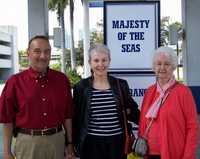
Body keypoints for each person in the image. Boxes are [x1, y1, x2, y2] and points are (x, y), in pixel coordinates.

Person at [0, 35, 75, 159]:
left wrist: (70, 143)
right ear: (28, 53)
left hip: (57, 142)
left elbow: (68, 115)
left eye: (47, 51)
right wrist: (7, 152)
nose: (43, 56)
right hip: (27, 143)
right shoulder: (14, 82)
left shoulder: (62, 80)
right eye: (37, 51)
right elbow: (7, 119)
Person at [73, 43, 140, 159]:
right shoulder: (81, 87)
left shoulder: (121, 85)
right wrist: (71, 144)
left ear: (109, 61)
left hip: (117, 143)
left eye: (104, 60)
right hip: (91, 144)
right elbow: (76, 118)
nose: (100, 64)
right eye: (96, 60)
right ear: (90, 63)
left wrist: (151, 124)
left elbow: (134, 112)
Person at [138, 46, 199, 159]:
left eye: (167, 64)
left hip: (173, 153)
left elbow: (192, 127)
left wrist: (188, 156)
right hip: (148, 153)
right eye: (159, 64)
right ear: (154, 67)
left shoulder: (183, 92)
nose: (162, 67)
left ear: (173, 67)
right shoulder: (150, 91)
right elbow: (143, 122)